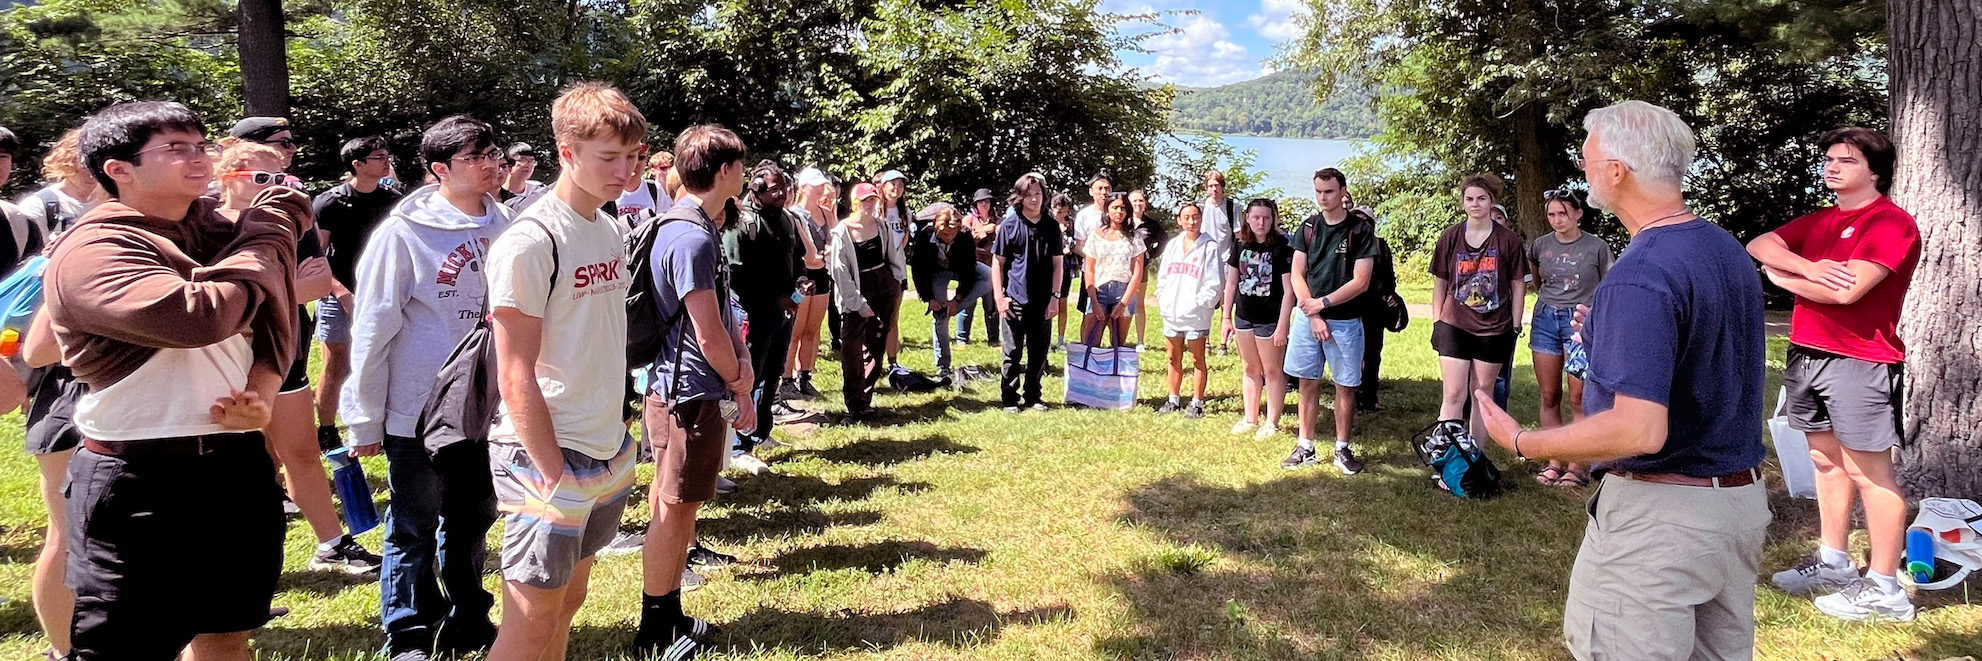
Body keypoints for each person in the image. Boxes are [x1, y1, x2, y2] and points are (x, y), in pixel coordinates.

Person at [1474, 100, 1769, 660]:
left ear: (1616, 171)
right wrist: (1610, 334)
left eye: (1588, 159)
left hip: (1662, 522)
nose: (1583, 172)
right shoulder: (1721, 247)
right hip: (1736, 507)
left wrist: (1523, 441)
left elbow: (1639, 431)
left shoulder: (1641, 272)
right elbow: (1701, 354)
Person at [51, 100, 305, 661]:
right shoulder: (93, 249)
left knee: (226, 634)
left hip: (235, 465)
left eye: (200, 145)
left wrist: (263, 389)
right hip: (137, 474)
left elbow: (273, 318)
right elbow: (199, 316)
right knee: (124, 649)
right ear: (118, 169)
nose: (198, 159)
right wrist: (269, 234)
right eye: (175, 149)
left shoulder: (215, 231)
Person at [482, 82, 646, 661]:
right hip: (545, 457)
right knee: (529, 622)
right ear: (566, 152)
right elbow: (513, 373)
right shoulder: (530, 241)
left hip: (605, 449)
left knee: (569, 601)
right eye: (609, 158)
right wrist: (556, 475)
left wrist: (617, 448)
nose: (625, 171)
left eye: (633, 156)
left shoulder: (607, 227)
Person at [340, 115, 513, 661]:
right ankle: (409, 633)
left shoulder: (506, 223)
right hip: (417, 408)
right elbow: (371, 327)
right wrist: (364, 417)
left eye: (493, 152)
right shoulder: (403, 234)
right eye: (475, 156)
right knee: (413, 525)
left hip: (483, 406)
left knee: (471, 520)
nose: (491, 164)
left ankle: (467, 620)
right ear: (439, 169)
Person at [1753, 127, 1921, 622]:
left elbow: (1848, 292)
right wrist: (1803, 265)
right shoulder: (1821, 220)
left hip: (1861, 360)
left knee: (1872, 475)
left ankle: (1886, 589)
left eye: (1845, 160)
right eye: (1829, 158)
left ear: (1875, 172)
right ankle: (1834, 562)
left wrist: (1782, 277)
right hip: (1807, 353)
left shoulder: (1891, 223)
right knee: (1825, 463)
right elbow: (1759, 243)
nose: (1832, 166)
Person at [217, 139, 382, 573]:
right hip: (219, 357)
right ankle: (235, 560)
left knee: (302, 450)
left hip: (280, 346)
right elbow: (208, 303)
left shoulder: (294, 220)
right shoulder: (205, 224)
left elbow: (319, 279)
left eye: (285, 179)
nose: (278, 189)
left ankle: (332, 544)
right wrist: (285, 289)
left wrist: (258, 293)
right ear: (227, 178)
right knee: (237, 458)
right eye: (263, 179)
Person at [632, 123, 755, 659]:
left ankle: (671, 612)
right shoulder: (691, 234)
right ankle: (655, 628)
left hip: (689, 388)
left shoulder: (692, 225)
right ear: (724, 171)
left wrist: (742, 360)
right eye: (741, 165)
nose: (745, 174)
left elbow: (718, 315)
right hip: (687, 393)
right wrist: (738, 381)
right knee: (674, 505)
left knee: (679, 501)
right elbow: (706, 330)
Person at [5, 123, 90, 661]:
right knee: (67, 532)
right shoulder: (40, 213)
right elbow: (33, 336)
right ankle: (64, 651)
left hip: (106, 389)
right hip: (59, 390)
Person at [1282, 168, 1378, 474]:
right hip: (1309, 320)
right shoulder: (1308, 228)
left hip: (1346, 322)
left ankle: (1342, 449)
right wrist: (1313, 315)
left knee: (1345, 386)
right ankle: (1305, 445)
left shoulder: (1360, 231)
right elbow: (1297, 274)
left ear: (1342, 192)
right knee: (1307, 382)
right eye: (1319, 192)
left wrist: (1322, 304)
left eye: (1329, 192)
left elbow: (1361, 281)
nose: (1323, 198)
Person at [313, 136, 405, 451]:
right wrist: (340, 294)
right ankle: (326, 429)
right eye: (379, 157)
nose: (386, 162)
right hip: (340, 293)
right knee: (337, 365)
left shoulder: (392, 198)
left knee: (387, 359)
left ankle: (382, 424)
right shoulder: (330, 202)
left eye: (386, 156)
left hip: (382, 294)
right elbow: (316, 257)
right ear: (358, 164)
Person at [1429, 173, 1527, 441]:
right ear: (1462, 202)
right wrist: (1438, 321)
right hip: (1454, 324)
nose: (1475, 204)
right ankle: (1449, 457)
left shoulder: (1509, 241)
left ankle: (1474, 458)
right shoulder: (1450, 236)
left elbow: (1519, 284)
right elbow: (1440, 281)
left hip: (1494, 328)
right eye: (1469, 199)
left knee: (1482, 394)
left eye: (1481, 199)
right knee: (1453, 393)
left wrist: (1515, 324)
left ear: (1491, 202)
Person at [1527, 187, 1613, 488]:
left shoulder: (1597, 247)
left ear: (1578, 214)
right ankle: (1554, 461)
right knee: (1550, 395)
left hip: (1580, 324)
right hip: (1546, 320)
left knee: (1579, 397)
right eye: (1551, 214)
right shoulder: (1539, 245)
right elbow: (1536, 279)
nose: (1557, 219)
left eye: (1563, 213)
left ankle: (1577, 465)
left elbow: (1608, 285)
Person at [725, 160, 804, 451]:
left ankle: (759, 431)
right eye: (775, 189)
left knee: (772, 374)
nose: (782, 193)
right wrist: (775, 297)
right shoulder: (742, 223)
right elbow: (737, 275)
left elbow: (798, 256)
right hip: (751, 313)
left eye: (784, 187)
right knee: (749, 374)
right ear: (756, 189)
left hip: (782, 312)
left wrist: (801, 280)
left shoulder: (786, 219)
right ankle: (738, 443)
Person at [828, 182, 907, 420]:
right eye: (864, 201)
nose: (869, 205)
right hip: (855, 290)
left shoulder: (881, 225)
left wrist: (896, 281)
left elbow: (893, 255)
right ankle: (854, 402)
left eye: (872, 200)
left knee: (876, 345)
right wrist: (858, 304)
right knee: (851, 349)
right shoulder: (841, 231)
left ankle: (865, 400)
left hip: (883, 286)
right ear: (854, 203)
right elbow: (840, 272)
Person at [991, 173, 1065, 412]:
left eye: (1038, 194)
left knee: (1038, 353)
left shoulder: (1052, 227)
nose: (1034, 199)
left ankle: (1033, 396)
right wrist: (999, 298)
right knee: (1012, 352)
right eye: (1028, 195)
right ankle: (1010, 398)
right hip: (1014, 299)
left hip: (1043, 300)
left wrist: (1055, 298)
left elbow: (1058, 264)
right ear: (1019, 198)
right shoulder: (1009, 225)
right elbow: (997, 263)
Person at [1225, 198, 1294, 442]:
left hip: (1270, 319)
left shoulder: (1283, 246)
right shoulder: (1239, 243)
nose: (1261, 222)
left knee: (1272, 370)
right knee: (1249, 368)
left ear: (1273, 218)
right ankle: (1250, 418)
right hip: (1244, 316)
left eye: (1266, 217)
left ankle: (1271, 422)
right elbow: (1232, 282)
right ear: (1247, 218)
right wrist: (1225, 318)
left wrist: (1283, 324)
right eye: (1256, 217)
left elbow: (1289, 289)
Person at [1154, 202, 1223, 418]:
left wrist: (1199, 303)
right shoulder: (1173, 245)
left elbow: (1214, 283)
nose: (1191, 222)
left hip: (1196, 315)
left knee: (1197, 359)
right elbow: (1163, 277)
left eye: (1195, 217)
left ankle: (1197, 402)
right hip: (1172, 313)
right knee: (1173, 357)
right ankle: (1173, 398)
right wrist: (1163, 299)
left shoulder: (1209, 247)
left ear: (1201, 219)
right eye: (1187, 217)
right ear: (1179, 220)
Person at [910, 201, 985, 384]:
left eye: (953, 233)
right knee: (940, 318)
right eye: (945, 233)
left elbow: (968, 270)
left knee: (989, 276)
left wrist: (957, 299)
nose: (950, 237)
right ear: (937, 228)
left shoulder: (965, 236)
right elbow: (918, 269)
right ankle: (943, 364)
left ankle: (951, 309)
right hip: (936, 273)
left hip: (958, 269)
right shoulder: (925, 236)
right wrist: (929, 298)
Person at [781, 167, 835, 402]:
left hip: (822, 276)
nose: (820, 188)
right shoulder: (794, 214)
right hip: (801, 279)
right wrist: (824, 255)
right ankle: (787, 380)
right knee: (795, 331)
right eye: (815, 184)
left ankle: (805, 377)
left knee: (812, 331)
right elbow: (808, 255)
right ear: (803, 187)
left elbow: (836, 239)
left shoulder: (826, 212)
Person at [1078, 192, 1143, 349]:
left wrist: (1123, 303)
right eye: (1115, 207)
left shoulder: (1134, 237)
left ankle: (1113, 374)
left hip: (1123, 290)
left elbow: (1137, 272)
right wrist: (1093, 300)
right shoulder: (1096, 236)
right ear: (1107, 210)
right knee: (1090, 343)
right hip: (1099, 290)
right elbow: (1090, 269)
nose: (1119, 212)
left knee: (1118, 345)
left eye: (1123, 208)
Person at [15, 128, 100, 239]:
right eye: (84, 167)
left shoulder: (118, 200)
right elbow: (30, 253)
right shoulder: (38, 205)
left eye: (97, 166)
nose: (91, 173)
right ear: (66, 163)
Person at [1355, 212, 1397, 413]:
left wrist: (1390, 296)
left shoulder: (1380, 246)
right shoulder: (1346, 244)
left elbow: (1389, 276)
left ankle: (1369, 398)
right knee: (1352, 354)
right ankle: (1352, 396)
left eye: (1365, 221)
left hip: (1374, 307)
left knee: (1372, 354)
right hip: (1350, 306)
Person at [1201, 170, 1241, 353]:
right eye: (1210, 186)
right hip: (1206, 260)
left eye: (1217, 185)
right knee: (1207, 300)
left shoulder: (1233, 207)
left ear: (1222, 187)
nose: (1214, 189)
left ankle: (1223, 343)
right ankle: (1206, 341)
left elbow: (1239, 234)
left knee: (1226, 302)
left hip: (1227, 259)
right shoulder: (1201, 208)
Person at [956, 187, 1001, 346]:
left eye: (987, 201)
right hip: (971, 266)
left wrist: (996, 229)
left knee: (992, 306)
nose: (985, 204)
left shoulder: (998, 220)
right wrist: (983, 231)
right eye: (981, 202)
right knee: (967, 303)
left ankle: (994, 339)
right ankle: (962, 339)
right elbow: (963, 239)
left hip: (991, 266)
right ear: (975, 204)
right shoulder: (968, 220)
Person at [1129, 188, 1165, 348]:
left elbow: (1164, 240)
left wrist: (1152, 255)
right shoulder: (1123, 221)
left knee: (1138, 303)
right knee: (1119, 302)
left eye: (1140, 201)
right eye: (1134, 200)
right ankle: (1117, 339)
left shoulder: (1151, 224)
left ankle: (1140, 341)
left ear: (1145, 204)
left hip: (1141, 268)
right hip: (1120, 267)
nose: (1137, 204)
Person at [1050, 192, 1079, 349]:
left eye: (1064, 211)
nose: (1060, 214)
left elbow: (1078, 241)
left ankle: (1061, 339)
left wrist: (1070, 247)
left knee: (1063, 303)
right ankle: (1046, 339)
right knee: (1048, 302)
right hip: (1049, 267)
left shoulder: (1072, 224)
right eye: (1058, 210)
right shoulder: (1047, 223)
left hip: (1066, 266)